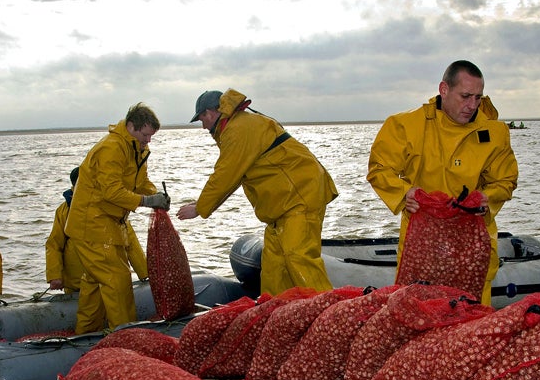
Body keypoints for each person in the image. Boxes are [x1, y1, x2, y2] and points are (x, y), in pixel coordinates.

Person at [367, 60, 518, 305]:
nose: (472, 106)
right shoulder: (405, 126)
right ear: (444, 90)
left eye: (478, 98)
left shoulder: (495, 132)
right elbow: (379, 169)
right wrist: (404, 193)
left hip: (473, 241)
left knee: (471, 319)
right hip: (422, 241)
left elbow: (506, 180)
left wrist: (486, 198)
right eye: (465, 96)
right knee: (415, 310)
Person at [177, 88, 338, 296]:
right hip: (282, 207)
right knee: (273, 267)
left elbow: (225, 175)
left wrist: (199, 208)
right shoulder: (240, 126)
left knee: (298, 257)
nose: (203, 126)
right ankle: (276, 314)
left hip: (300, 197)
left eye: (201, 120)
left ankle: (326, 310)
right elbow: (233, 176)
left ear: (209, 113)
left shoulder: (238, 129)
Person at [64, 102, 169, 333]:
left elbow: (140, 183)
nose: (148, 140)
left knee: (93, 285)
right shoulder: (111, 148)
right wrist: (147, 202)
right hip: (92, 226)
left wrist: (156, 195)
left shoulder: (137, 149)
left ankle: (86, 335)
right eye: (146, 134)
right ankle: (127, 337)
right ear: (131, 126)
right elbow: (110, 191)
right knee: (117, 280)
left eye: (151, 136)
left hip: (108, 225)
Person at [44, 166, 147, 293]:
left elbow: (130, 242)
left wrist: (145, 274)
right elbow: (54, 245)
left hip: (109, 279)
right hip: (77, 284)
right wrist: (55, 276)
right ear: (74, 186)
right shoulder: (63, 211)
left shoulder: (112, 208)